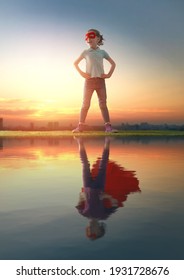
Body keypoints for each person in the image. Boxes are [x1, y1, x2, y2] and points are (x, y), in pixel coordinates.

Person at [72, 28, 118, 133]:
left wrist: (109, 75)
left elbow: (113, 63)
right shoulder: (85, 52)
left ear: (98, 38)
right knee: (85, 104)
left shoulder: (102, 52)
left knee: (103, 104)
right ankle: (81, 126)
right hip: (89, 82)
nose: (89, 39)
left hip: (101, 82)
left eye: (92, 37)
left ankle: (108, 127)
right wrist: (82, 73)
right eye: (88, 38)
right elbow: (75, 63)